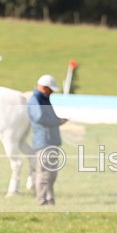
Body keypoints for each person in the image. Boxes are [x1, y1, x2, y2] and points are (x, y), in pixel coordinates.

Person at [28, 74, 67, 205]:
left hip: (51, 141)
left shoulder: (44, 99)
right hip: (44, 142)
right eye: (50, 89)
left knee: (52, 174)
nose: (51, 92)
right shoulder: (35, 100)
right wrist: (58, 121)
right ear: (44, 87)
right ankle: (42, 200)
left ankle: (50, 199)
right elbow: (40, 118)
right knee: (44, 174)